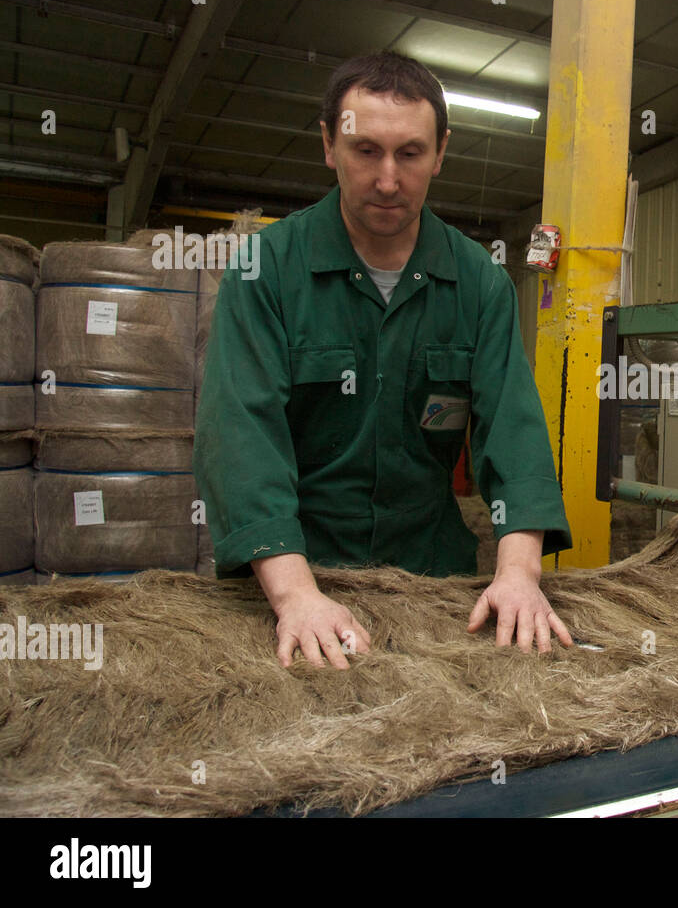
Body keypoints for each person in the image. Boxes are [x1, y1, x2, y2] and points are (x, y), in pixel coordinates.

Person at [194, 51, 573, 668]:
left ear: (441, 152)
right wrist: (296, 596)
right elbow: (240, 435)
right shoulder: (265, 269)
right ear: (328, 144)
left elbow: (515, 430)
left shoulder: (478, 280)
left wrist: (519, 572)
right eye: (366, 150)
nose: (389, 180)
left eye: (410, 153)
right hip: (295, 569)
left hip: (433, 576)